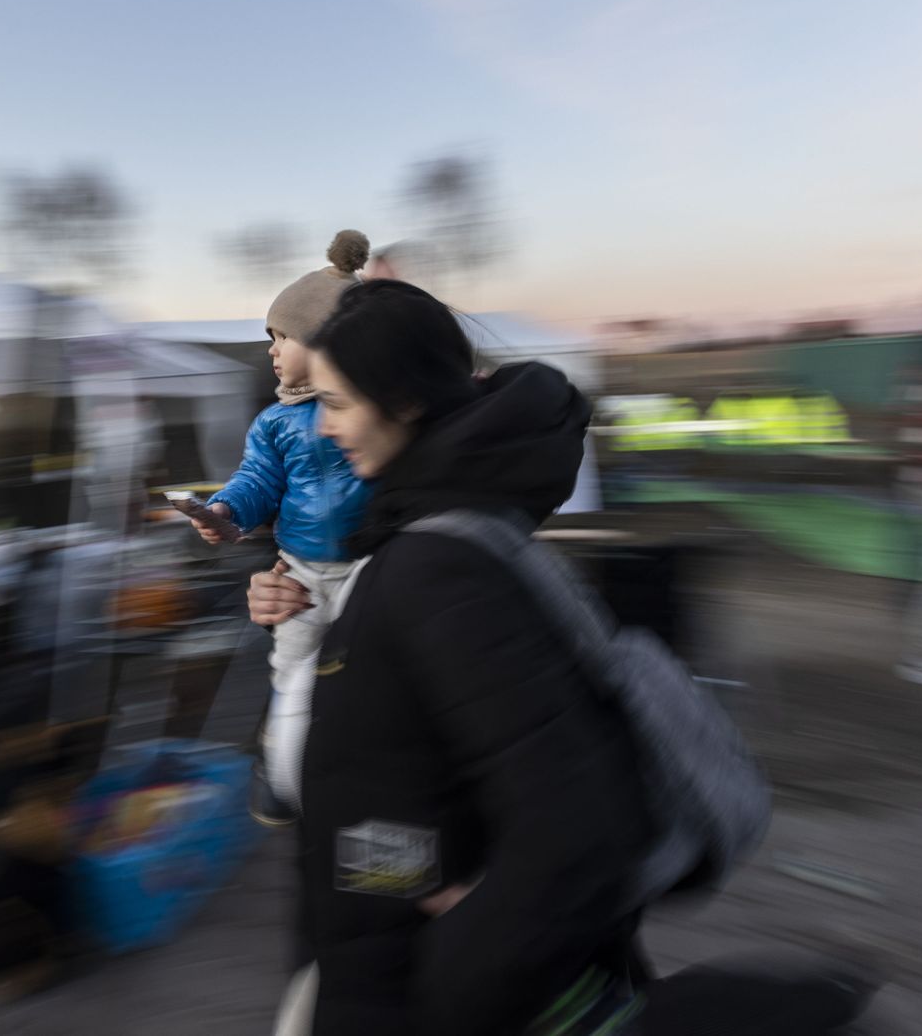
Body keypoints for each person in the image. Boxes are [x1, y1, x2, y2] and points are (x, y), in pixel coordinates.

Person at [244, 278, 650, 1034]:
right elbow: (408, 746)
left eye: (335, 405)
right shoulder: (416, 534)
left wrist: (453, 983)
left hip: (412, 990)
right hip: (372, 958)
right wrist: (293, 618)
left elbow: (574, 833)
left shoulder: (441, 564)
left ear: (401, 402)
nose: (324, 430)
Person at [192, 231, 375, 824]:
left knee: (364, 664)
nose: (272, 349)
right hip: (298, 566)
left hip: (367, 561)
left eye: (284, 336)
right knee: (294, 661)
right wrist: (225, 511)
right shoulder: (274, 422)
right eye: (270, 337)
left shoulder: (365, 407)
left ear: (326, 340)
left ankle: (350, 759)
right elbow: (256, 480)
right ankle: (281, 760)